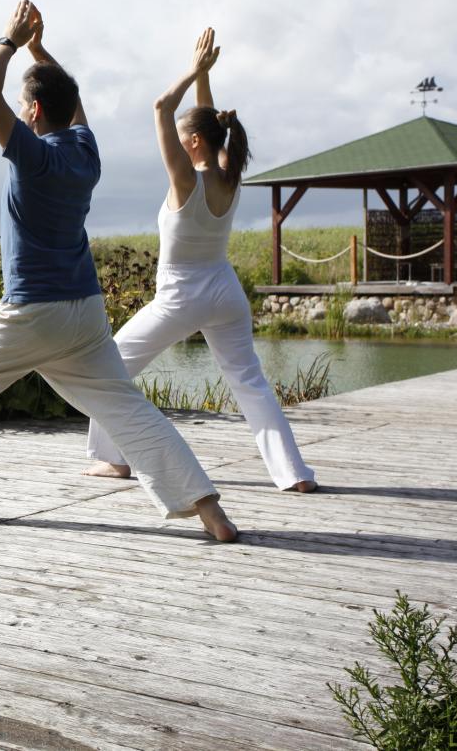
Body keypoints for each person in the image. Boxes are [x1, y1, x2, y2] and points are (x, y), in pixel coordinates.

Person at [0, 0, 238, 542]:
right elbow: (75, 104)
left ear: (35, 113)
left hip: (36, 311)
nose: (20, 112)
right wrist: (40, 53)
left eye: (25, 105)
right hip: (84, 313)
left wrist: (10, 39)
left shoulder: (34, 155)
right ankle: (208, 509)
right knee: (125, 407)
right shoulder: (86, 151)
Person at [83, 27, 317, 494]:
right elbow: (212, 123)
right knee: (250, 381)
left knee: (111, 365)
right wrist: (206, 76)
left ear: (192, 144)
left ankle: (109, 458)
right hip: (225, 290)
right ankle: (293, 473)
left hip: (182, 293)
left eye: (187, 135)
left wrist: (193, 71)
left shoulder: (186, 181)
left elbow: (160, 108)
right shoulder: (229, 175)